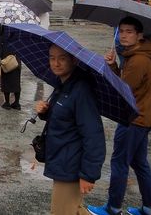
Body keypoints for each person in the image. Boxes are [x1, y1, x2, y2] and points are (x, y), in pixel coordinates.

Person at [88, 16, 151, 215]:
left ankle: (113, 207)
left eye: (129, 32)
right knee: (139, 162)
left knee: (119, 162)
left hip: (133, 119)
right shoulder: (135, 55)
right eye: (121, 31)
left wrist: (104, 75)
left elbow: (122, 90)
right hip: (142, 117)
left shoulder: (138, 60)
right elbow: (126, 83)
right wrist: (113, 65)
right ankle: (149, 208)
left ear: (139, 35)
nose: (123, 36)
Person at [36, 45, 105, 215]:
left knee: (62, 211)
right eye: (52, 58)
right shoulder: (62, 85)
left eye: (62, 58)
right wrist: (45, 111)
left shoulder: (81, 90)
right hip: (61, 159)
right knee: (74, 210)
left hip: (71, 165)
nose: (56, 63)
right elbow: (65, 117)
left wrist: (89, 174)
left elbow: (93, 134)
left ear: (73, 60)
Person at [0, 27, 21, 110]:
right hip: (16, 58)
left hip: (5, 57)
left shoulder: (2, 28)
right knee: (16, 80)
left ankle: (7, 102)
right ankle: (17, 102)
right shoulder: (18, 28)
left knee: (6, 80)